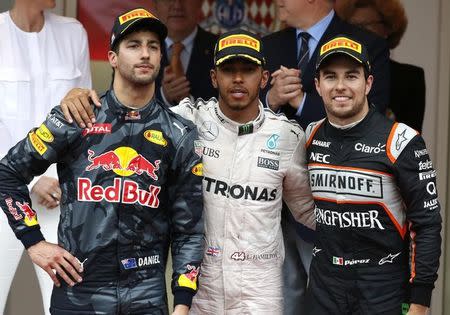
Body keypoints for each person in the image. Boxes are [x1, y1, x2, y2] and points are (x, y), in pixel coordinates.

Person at [59, 29, 316, 315]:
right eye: (229, 70)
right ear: (214, 78)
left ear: (265, 78)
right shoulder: (187, 120)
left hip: (260, 292)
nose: (239, 79)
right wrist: (77, 94)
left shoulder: (286, 135)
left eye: (249, 70)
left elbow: (307, 211)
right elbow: (134, 110)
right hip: (199, 290)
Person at [0, 8, 203, 315]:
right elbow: (7, 173)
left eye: (153, 46)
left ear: (161, 57)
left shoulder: (179, 133)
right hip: (79, 292)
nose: (145, 54)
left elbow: (189, 228)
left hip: (146, 297)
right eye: (133, 45)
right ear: (112, 57)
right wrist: (35, 243)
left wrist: (183, 304)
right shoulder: (77, 116)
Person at [261, 2, 391, 313]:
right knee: (279, 299)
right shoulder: (269, 46)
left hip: (332, 201)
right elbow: (240, 117)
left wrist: (305, 102)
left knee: (331, 298)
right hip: (270, 199)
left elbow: (373, 121)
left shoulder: (367, 45)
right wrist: (270, 99)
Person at [304, 35, 442, 315]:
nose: (340, 86)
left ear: (368, 83)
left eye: (351, 76)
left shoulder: (401, 141)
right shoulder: (310, 135)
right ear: (318, 85)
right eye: (330, 77)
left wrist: (420, 302)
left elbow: (427, 226)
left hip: (382, 289)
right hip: (323, 287)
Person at [0, 0, 91, 313]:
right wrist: (34, 177)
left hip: (59, 194)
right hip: (2, 193)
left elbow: (86, 118)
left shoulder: (73, 32)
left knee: (67, 302)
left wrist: (59, 176)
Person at [335, 0, 426, 132]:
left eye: (365, 26)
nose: (359, 34)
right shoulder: (333, 73)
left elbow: (411, 137)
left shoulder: (409, 77)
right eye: (352, 27)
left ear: (388, 29)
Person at [154, 0, 218, 105]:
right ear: (156, 4)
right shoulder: (139, 51)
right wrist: (163, 96)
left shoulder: (219, 49)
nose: (177, 6)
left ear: (199, 3)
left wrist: (187, 102)